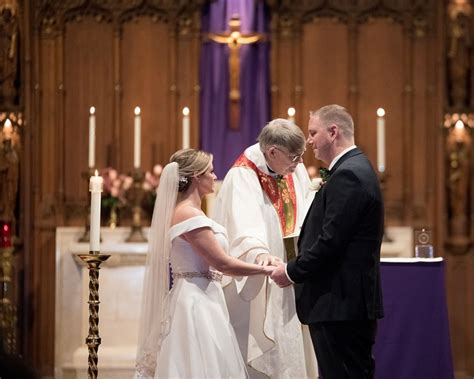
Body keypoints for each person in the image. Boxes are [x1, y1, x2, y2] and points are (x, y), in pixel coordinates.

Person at [134, 149, 275, 378]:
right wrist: (266, 269)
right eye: (210, 171)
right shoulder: (188, 215)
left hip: (203, 295)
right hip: (196, 301)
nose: (214, 175)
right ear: (197, 177)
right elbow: (222, 263)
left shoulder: (191, 212)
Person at [271, 104, 385, 378]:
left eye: (313, 133)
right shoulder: (353, 168)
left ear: (333, 132)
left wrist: (290, 271)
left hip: (341, 305)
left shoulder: (349, 175)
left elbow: (330, 242)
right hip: (342, 305)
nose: (308, 140)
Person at [213, 119, 318, 378]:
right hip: (261, 275)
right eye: (294, 157)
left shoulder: (294, 166)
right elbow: (243, 226)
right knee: (259, 348)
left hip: (291, 270)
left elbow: (305, 205)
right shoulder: (243, 175)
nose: (299, 163)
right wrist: (260, 255)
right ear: (272, 152)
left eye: (301, 155)